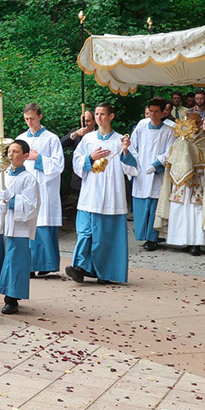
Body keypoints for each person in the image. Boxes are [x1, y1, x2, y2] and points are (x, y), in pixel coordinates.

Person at [64, 102, 138, 284]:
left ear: (111, 116)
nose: (98, 117)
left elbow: (133, 168)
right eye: (96, 114)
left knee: (107, 237)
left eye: (102, 114)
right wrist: (91, 158)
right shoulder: (88, 140)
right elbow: (77, 163)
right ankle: (79, 267)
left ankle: (107, 273)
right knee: (85, 233)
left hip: (112, 195)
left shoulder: (121, 140)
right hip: (90, 194)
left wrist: (126, 151)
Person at [154, 113, 205, 255]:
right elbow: (172, 158)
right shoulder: (180, 139)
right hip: (181, 183)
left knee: (196, 212)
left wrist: (194, 155)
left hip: (200, 180)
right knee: (181, 210)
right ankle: (181, 240)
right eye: (191, 122)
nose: (194, 126)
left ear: (200, 123)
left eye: (197, 123)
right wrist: (184, 148)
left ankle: (196, 243)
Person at [15, 103, 64, 276]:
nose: (29, 122)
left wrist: (38, 158)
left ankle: (44, 265)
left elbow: (59, 165)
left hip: (44, 186)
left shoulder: (51, 138)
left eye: (32, 118)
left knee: (42, 224)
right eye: (26, 118)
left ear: (40, 117)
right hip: (25, 187)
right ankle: (28, 266)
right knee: (25, 224)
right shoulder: (21, 138)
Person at [0, 140, 40, 314]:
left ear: (25, 156)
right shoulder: (1, 176)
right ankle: (5, 289)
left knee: (14, 261)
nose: (10, 154)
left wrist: (11, 201)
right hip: (0, 223)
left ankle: (12, 298)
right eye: (9, 151)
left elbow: (32, 204)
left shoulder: (28, 179)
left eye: (15, 151)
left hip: (17, 225)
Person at [129, 98, 176, 252]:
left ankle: (153, 238)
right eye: (151, 111)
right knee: (142, 205)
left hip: (157, 174)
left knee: (155, 207)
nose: (153, 115)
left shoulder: (168, 131)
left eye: (157, 111)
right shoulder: (141, 127)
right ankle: (142, 234)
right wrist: (135, 163)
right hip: (141, 172)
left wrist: (157, 164)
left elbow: (170, 151)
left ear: (163, 112)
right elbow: (132, 146)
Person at [61, 110, 95, 193]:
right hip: (79, 178)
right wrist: (75, 134)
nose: (85, 124)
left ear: (94, 121)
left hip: (95, 176)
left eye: (88, 121)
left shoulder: (99, 134)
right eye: (83, 121)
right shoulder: (76, 133)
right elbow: (60, 144)